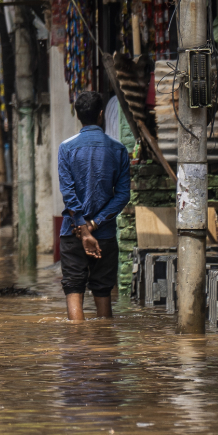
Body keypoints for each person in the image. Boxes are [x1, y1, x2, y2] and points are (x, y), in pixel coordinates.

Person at [57, 92, 131, 321]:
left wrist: (83, 228)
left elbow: (69, 194)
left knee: (73, 289)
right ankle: (105, 349)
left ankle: (77, 349)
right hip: (105, 235)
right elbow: (122, 196)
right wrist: (95, 224)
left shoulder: (66, 148)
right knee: (103, 292)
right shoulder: (118, 149)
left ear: (78, 116)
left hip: (73, 232)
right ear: (101, 115)